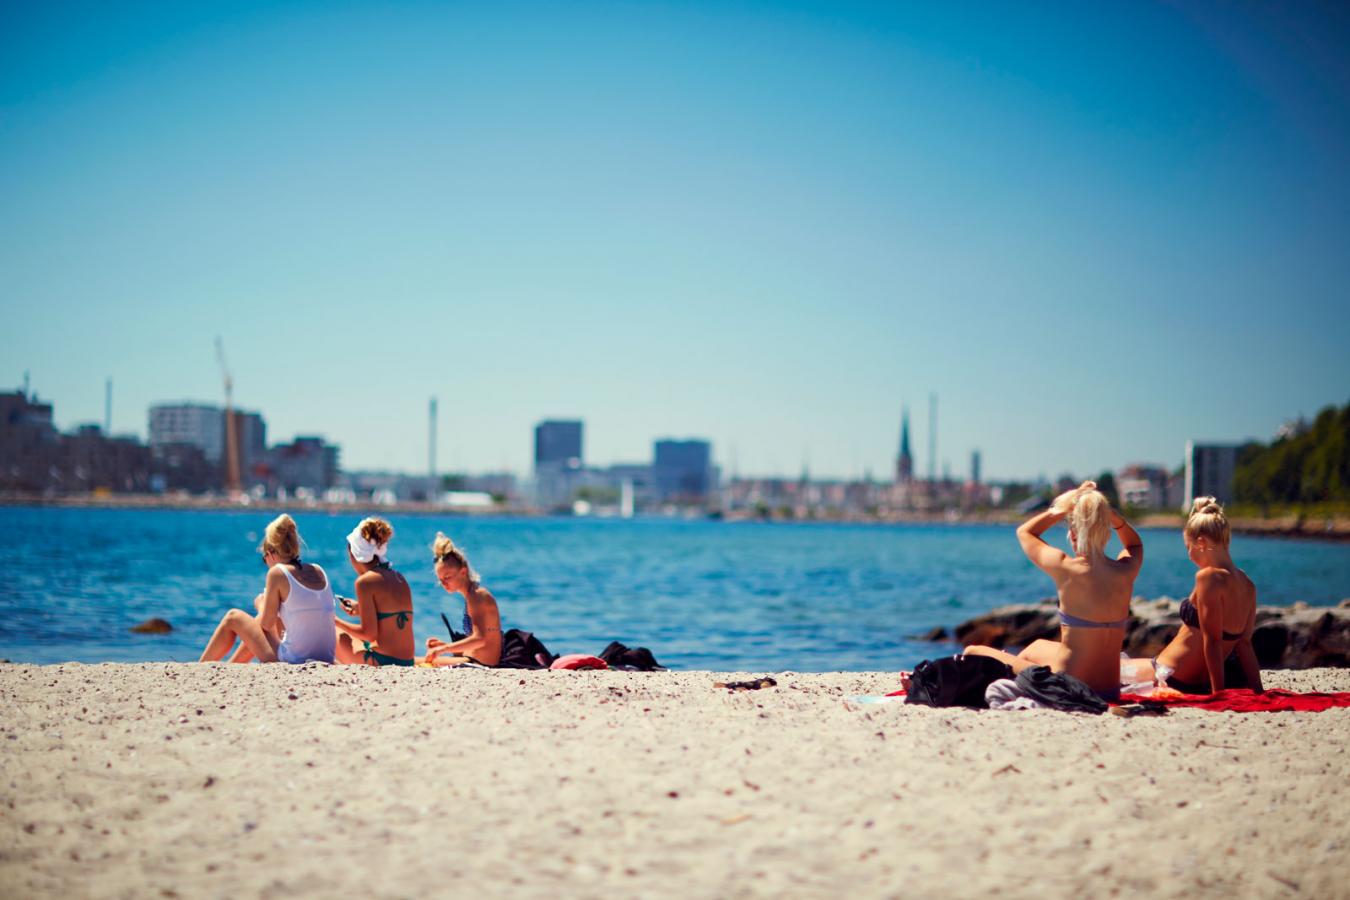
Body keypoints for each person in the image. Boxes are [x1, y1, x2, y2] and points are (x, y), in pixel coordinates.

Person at [963, 480, 1143, 699]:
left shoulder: (1066, 567)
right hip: (1109, 690)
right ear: (1106, 531)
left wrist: (1064, 507)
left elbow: (1025, 532)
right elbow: (1134, 545)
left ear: (1074, 534)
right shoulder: (1125, 570)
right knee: (1036, 646)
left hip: (1069, 687)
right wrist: (1112, 516)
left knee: (972, 651)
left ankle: (1015, 675)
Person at [1128, 498, 1263, 694]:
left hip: (1168, 674)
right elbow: (1245, 645)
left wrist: (1218, 694)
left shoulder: (1209, 578)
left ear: (1200, 543)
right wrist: (1259, 690)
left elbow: (1213, 641)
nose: (1189, 555)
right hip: (1193, 681)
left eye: (1187, 547)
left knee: (1102, 668)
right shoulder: (1248, 585)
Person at [200, 514, 336, 664]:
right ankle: (232, 665)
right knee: (271, 615)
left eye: (264, 557)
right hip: (327, 657)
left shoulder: (277, 573)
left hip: (294, 660)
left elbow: (266, 624)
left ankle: (200, 667)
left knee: (233, 617)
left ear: (271, 553)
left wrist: (260, 604)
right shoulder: (318, 569)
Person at [333, 517, 415, 667]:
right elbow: (391, 621)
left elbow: (368, 635)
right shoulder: (399, 577)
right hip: (408, 662)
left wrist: (334, 620)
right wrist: (360, 609)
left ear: (354, 554)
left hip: (383, 662)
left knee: (334, 630)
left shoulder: (365, 582)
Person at [422, 533, 503, 667]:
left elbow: (480, 639)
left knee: (411, 661)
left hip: (478, 663)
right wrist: (446, 646)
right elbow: (480, 641)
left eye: (447, 577)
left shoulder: (476, 596)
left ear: (463, 572)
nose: (444, 584)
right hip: (473, 659)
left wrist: (443, 649)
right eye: (440, 579)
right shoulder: (473, 594)